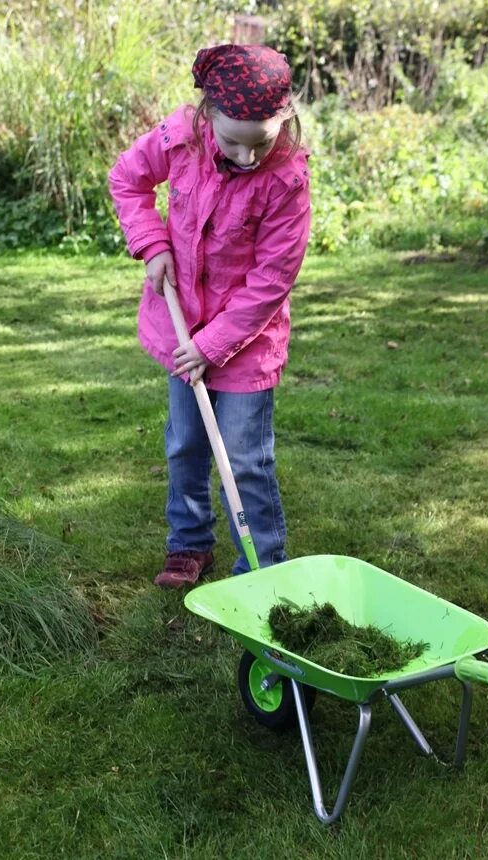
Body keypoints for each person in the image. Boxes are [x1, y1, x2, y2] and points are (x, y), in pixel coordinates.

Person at [109, 44, 311, 588]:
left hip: (247, 341)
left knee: (244, 458)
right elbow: (126, 181)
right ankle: (189, 545)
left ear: (284, 119)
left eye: (260, 144)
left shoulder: (287, 179)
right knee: (186, 443)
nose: (247, 158)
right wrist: (152, 243)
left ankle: (261, 569)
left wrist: (214, 345)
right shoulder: (178, 140)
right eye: (233, 143)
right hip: (181, 326)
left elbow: (273, 277)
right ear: (207, 117)